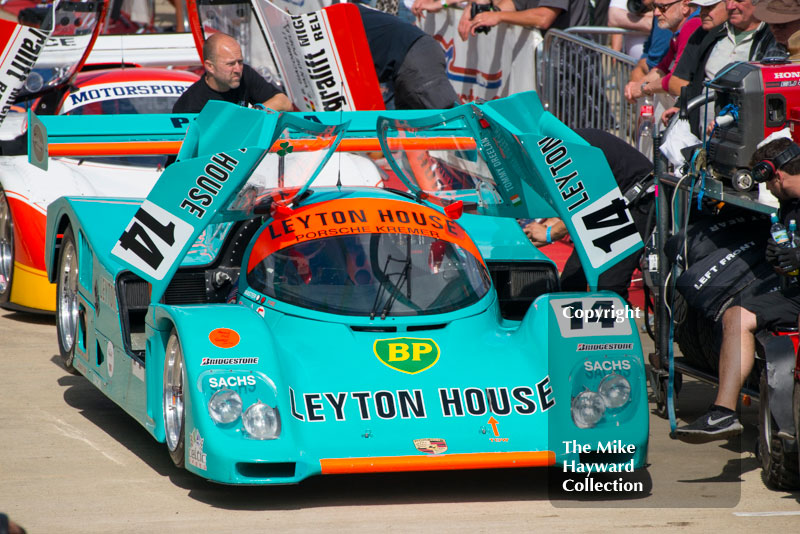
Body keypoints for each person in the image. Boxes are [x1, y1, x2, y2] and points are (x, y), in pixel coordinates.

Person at [675, 134, 800, 443]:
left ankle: (723, 412)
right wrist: (780, 260)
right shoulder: (789, 206)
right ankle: (723, 414)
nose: (767, 189)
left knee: (739, 315)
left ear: (776, 174)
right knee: (737, 313)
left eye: (767, 183)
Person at [523, 128, 654, 303]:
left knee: (609, 285)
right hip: (612, 204)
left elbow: (589, 203)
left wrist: (550, 233)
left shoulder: (561, 151)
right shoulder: (550, 146)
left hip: (639, 199)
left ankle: (617, 328)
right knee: (572, 280)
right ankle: (575, 328)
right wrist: (551, 226)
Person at [662, 0, 779, 135]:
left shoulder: (771, 38)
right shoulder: (710, 33)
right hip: (702, 137)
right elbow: (694, 79)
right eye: (727, 0)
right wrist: (681, 107)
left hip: (744, 137)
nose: (730, 6)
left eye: (739, 1)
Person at [357, 3, 458, 109]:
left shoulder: (343, 16)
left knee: (452, 120)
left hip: (414, 56)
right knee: (406, 123)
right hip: (407, 57)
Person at [172, 33, 292, 114]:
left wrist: (255, 113)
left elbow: (284, 103)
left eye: (240, 62)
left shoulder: (245, 74)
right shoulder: (191, 104)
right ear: (210, 67)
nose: (238, 69)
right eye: (230, 64)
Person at [624, 0, 701, 105]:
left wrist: (644, 88)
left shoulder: (693, 25)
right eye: (654, 6)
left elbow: (677, 81)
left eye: (662, 7)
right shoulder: (677, 33)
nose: (656, 13)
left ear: (685, 5)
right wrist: (635, 86)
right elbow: (661, 69)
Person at [455, 0, 589, 40]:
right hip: (547, 64)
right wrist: (485, 16)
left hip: (572, 64)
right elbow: (514, 3)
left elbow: (543, 17)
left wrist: (498, 16)